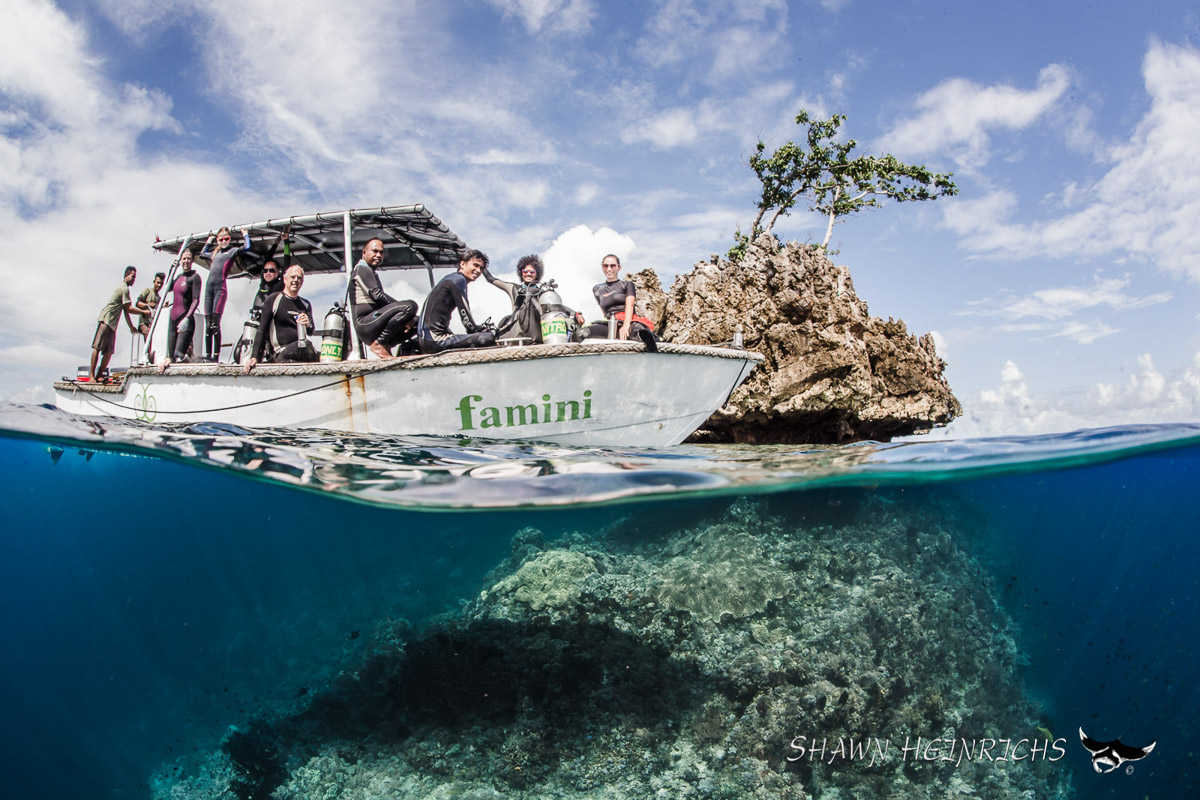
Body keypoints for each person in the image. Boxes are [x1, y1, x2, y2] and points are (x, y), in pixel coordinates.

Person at [417, 249, 497, 354]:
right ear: (462, 264)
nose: (478, 271)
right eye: (475, 265)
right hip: (436, 341)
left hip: (426, 340)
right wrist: (479, 331)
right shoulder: (459, 280)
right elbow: (466, 319)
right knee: (489, 337)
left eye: (481, 268)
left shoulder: (450, 278)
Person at [350, 238, 419, 359]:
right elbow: (377, 296)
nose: (378, 255)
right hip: (365, 324)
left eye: (381, 252)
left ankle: (387, 345)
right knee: (410, 306)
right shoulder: (362, 269)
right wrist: (405, 310)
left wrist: (408, 317)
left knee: (418, 322)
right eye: (375, 251)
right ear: (364, 253)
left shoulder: (371, 271)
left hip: (376, 322)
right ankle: (380, 343)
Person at [244, 265, 319, 371]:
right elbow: (262, 330)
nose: (295, 280)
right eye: (292, 277)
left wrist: (308, 324)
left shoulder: (305, 304)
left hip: (301, 348)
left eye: (299, 278)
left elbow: (311, 331)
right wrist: (254, 356)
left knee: (313, 350)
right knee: (304, 346)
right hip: (280, 352)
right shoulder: (273, 299)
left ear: (302, 282)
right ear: (285, 279)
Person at [577, 254, 657, 350]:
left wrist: (626, 325)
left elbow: (630, 306)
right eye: (605, 266)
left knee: (641, 333)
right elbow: (604, 312)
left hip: (628, 320)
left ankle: (654, 352)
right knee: (581, 333)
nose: (609, 269)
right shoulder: (597, 289)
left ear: (619, 268)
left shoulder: (627, 285)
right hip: (610, 322)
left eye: (613, 265)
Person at [200, 225, 252, 362]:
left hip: (220, 290)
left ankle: (215, 357)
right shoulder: (214, 253)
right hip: (208, 290)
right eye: (221, 239)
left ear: (229, 239)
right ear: (218, 240)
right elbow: (202, 254)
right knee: (208, 326)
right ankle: (207, 355)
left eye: (226, 239)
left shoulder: (231, 251)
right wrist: (209, 241)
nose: (223, 242)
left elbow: (246, 248)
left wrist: (245, 234)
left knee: (215, 325)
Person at [89, 266, 142, 383]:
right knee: (97, 347)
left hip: (113, 324)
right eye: (133, 276)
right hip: (106, 320)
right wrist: (144, 312)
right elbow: (129, 309)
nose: (134, 280)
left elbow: (125, 310)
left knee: (109, 351)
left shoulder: (126, 290)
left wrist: (131, 327)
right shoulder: (124, 289)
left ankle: (99, 375)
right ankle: (92, 376)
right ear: (126, 275)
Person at [161, 249, 203, 371]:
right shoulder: (179, 277)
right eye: (184, 258)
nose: (186, 261)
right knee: (169, 358)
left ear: (192, 260)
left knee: (178, 356)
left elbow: (196, 300)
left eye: (188, 259)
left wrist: (187, 319)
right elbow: (168, 288)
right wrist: (171, 271)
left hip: (186, 322)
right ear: (180, 260)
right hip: (173, 320)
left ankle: (190, 364)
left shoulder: (194, 277)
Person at [136, 272, 165, 363]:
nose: (159, 285)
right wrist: (148, 305)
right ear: (154, 282)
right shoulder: (147, 291)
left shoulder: (159, 298)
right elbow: (137, 303)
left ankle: (152, 359)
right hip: (144, 322)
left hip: (153, 324)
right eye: (157, 282)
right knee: (149, 340)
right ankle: (146, 359)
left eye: (161, 283)